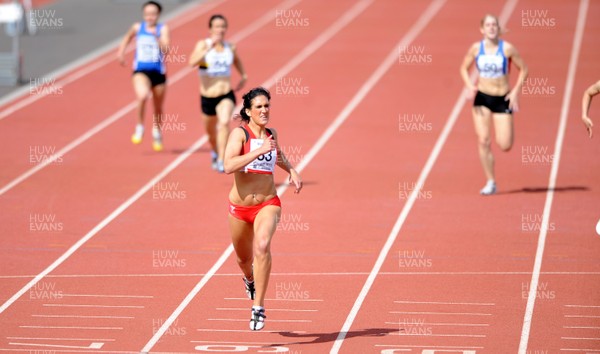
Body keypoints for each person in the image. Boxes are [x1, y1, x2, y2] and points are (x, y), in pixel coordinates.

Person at [223, 87, 302, 331]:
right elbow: (228, 165)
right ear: (248, 111)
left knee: (262, 245)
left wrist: (291, 169)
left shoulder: (271, 133)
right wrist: (258, 150)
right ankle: (249, 280)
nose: (264, 110)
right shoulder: (240, 135)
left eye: (267, 105)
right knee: (243, 259)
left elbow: (276, 154)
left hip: (267, 203)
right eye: (259, 106)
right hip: (240, 207)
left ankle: (258, 307)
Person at [460, 14, 528, 195]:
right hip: (482, 97)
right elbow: (463, 67)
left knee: (505, 145)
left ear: (498, 28)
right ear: (482, 29)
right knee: (483, 140)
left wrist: (515, 91)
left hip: (502, 98)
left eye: (494, 25)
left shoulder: (507, 49)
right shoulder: (476, 48)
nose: (491, 28)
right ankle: (490, 181)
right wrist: (469, 85)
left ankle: (492, 177)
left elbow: (524, 69)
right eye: (488, 25)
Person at [189, 14, 248, 172]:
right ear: (210, 29)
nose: (220, 29)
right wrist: (209, 47)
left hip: (225, 94)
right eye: (217, 26)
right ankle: (215, 151)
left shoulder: (230, 47)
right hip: (207, 97)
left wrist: (243, 75)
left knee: (223, 123)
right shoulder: (203, 44)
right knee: (210, 134)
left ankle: (222, 158)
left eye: (223, 26)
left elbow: (236, 60)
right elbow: (192, 62)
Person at [117, 0, 170, 152]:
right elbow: (127, 38)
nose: (150, 17)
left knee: (158, 106)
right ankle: (140, 127)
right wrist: (121, 52)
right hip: (140, 71)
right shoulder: (137, 27)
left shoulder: (163, 28)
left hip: (158, 73)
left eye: (153, 14)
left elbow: (166, 49)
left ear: (158, 15)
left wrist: (157, 37)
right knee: (142, 96)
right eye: (147, 14)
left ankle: (157, 132)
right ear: (143, 14)